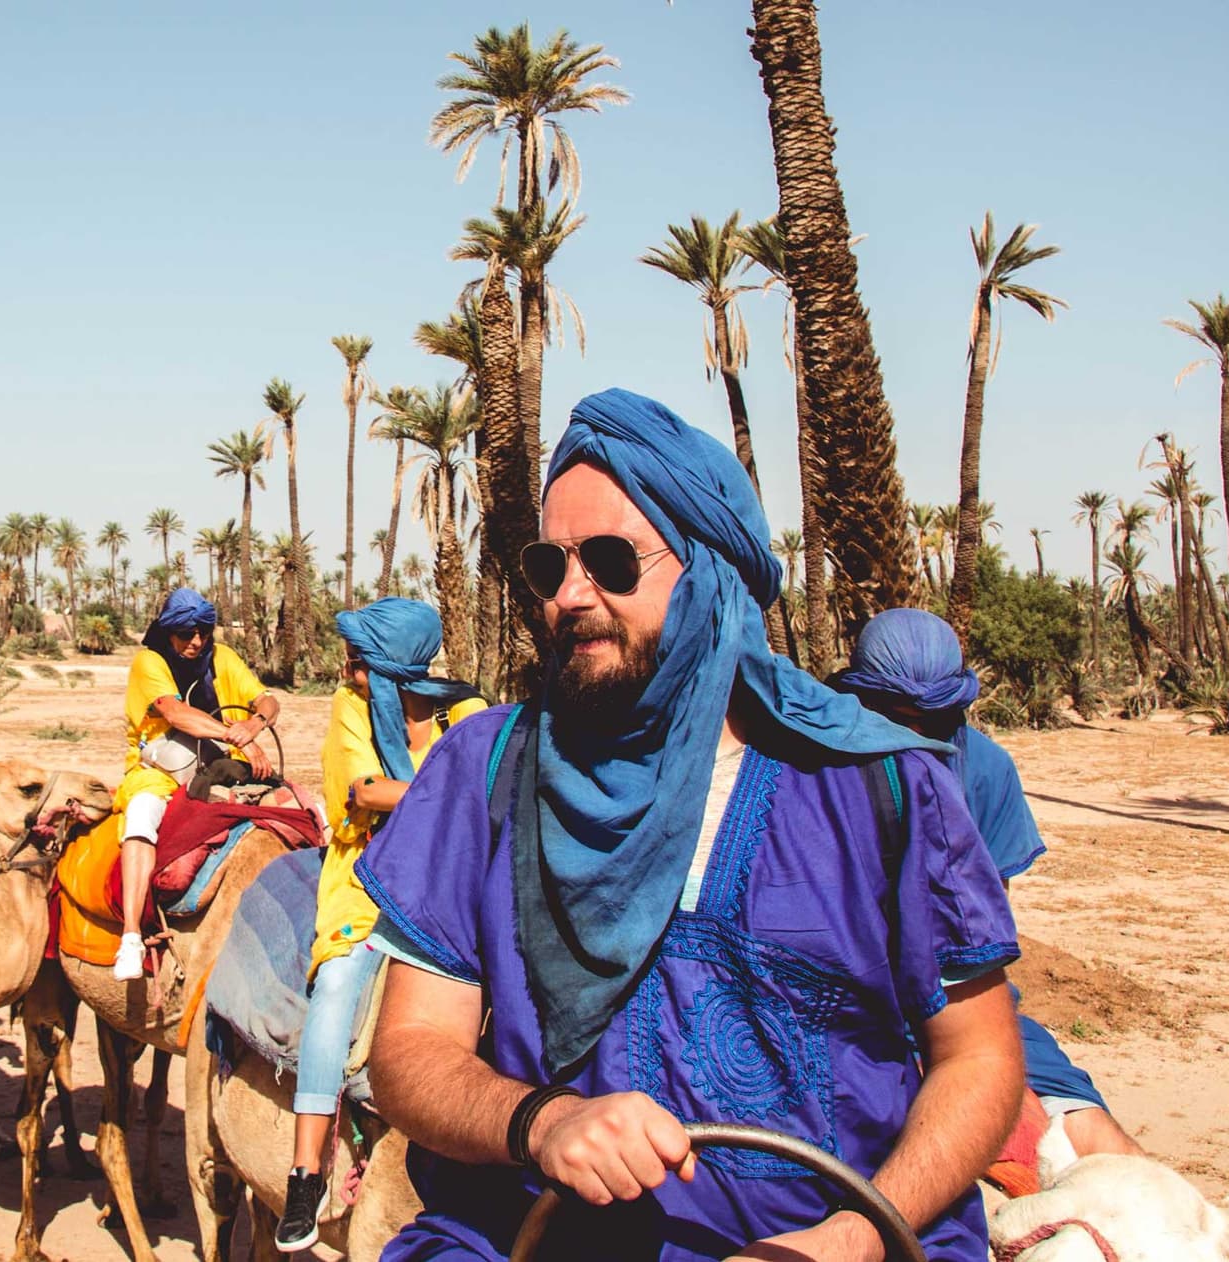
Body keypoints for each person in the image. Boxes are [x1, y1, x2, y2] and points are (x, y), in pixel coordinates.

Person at [357, 389, 1025, 1262]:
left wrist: (855, 1235)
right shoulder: (482, 771)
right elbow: (408, 1051)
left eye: (609, 560)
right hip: (531, 1237)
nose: (571, 595)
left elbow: (978, 1060)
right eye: (547, 566)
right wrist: (541, 1122)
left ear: (712, 572)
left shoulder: (881, 786)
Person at [835, 607, 1145, 1158]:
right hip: (838, 1001)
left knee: (1094, 1137)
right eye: (894, 718)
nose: (914, 739)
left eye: (930, 722)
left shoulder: (986, 769)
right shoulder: (815, 764)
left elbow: (979, 935)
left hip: (953, 998)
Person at [274, 597, 487, 1253]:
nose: (348, 668)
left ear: (395, 665)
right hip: (367, 884)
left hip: (453, 884)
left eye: (361, 659)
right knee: (336, 988)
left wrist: (441, 794)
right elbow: (362, 792)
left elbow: (487, 786)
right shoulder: (350, 707)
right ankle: (306, 1170)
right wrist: (450, 789)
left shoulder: (466, 713)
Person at [114, 588, 278, 980]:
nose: (196, 642)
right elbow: (175, 712)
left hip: (224, 765)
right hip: (160, 769)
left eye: (202, 632)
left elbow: (266, 699)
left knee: (299, 810)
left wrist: (255, 723)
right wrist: (235, 735)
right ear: (168, 632)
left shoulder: (222, 658)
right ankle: (131, 935)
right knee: (141, 820)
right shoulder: (148, 662)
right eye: (186, 634)